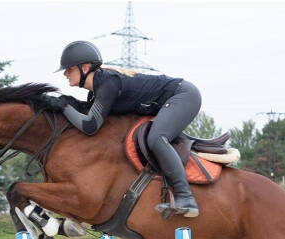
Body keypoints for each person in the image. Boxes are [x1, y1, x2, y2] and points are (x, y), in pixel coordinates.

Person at [53, 40, 200, 217]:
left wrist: (63, 106)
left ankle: (186, 197)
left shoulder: (108, 83)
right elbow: (88, 116)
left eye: (69, 69)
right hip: (171, 99)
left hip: (183, 95)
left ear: (84, 67)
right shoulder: (97, 90)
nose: (65, 74)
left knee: (156, 138)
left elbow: (90, 125)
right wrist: (65, 103)